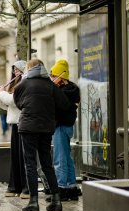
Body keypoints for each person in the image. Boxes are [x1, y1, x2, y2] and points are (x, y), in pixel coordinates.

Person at [14, 59, 70, 211]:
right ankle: (56, 200)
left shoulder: (22, 85)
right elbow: (64, 104)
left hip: (28, 128)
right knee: (47, 163)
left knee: (30, 164)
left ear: (29, 69)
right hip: (46, 128)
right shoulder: (51, 85)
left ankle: (33, 202)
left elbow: (18, 103)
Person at [0, 60, 30, 199]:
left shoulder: (24, 84)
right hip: (14, 124)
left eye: (17, 69)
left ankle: (26, 188)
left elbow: (14, 101)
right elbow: (8, 106)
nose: (15, 72)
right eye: (14, 70)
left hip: (23, 123)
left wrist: (1, 94)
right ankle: (15, 186)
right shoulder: (14, 84)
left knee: (23, 157)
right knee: (15, 157)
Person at [50, 60, 81, 201]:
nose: (51, 79)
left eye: (53, 76)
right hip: (66, 126)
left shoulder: (62, 92)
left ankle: (61, 189)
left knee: (59, 158)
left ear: (61, 77)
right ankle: (71, 187)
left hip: (61, 126)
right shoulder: (72, 90)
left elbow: (58, 108)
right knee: (67, 158)